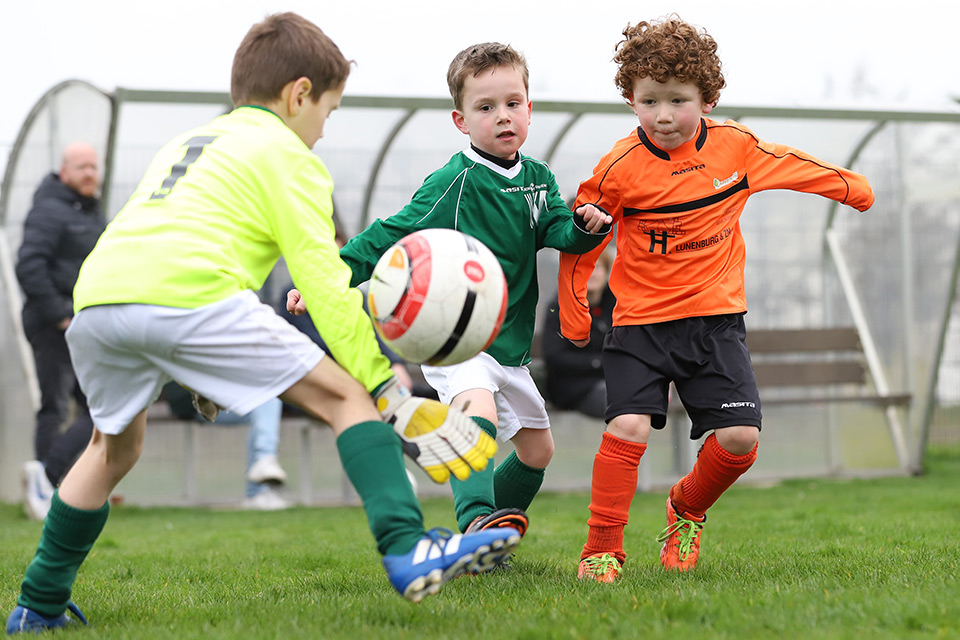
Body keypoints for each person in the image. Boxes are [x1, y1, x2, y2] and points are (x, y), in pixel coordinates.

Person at [5, 13, 519, 634]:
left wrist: (199, 371)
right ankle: (408, 547)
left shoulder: (191, 142)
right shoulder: (289, 157)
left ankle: (38, 603)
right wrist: (386, 386)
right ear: (299, 94)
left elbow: (175, 241)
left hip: (99, 300)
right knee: (347, 398)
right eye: (327, 112)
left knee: (112, 447)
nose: (323, 132)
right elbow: (326, 286)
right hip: (188, 296)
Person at [560, 16, 875, 582]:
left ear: (706, 99)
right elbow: (581, 243)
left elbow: (793, 166)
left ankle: (687, 507)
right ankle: (601, 550)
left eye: (678, 100)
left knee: (740, 440)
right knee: (626, 427)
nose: (662, 115)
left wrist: (851, 188)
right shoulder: (617, 169)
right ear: (631, 100)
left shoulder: (735, 148)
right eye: (648, 100)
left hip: (715, 323)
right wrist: (578, 313)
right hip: (640, 326)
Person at [292, 42, 612, 545]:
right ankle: (477, 521)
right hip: (458, 340)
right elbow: (391, 233)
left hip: (510, 346)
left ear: (530, 108)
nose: (503, 117)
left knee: (538, 451)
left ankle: (489, 540)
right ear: (462, 121)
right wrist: (325, 278)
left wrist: (587, 228)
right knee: (477, 409)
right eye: (486, 108)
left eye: (513, 103)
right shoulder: (454, 181)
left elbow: (558, 233)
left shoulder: (538, 178)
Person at [14, 142, 106, 521]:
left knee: (97, 408)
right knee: (55, 403)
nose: (90, 174)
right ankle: (47, 483)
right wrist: (61, 315)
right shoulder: (50, 209)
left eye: (94, 167)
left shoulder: (89, 211)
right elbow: (29, 265)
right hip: (54, 324)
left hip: (82, 322)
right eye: (82, 167)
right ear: (63, 171)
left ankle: (51, 481)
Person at [162, 383, 289, 510]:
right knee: (266, 401)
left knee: (265, 405)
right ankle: (263, 467)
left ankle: (259, 480)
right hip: (197, 405)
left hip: (227, 400)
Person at [540, 248, 615, 418]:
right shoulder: (559, 306)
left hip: (609, 382)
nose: (593, 273)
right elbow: (554, 356)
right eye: (587, 268)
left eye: (598, 268)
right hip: (570, 386)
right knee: (618, 401)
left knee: (633, 398)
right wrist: (598, 362)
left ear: (606, 272)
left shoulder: (616, 303)